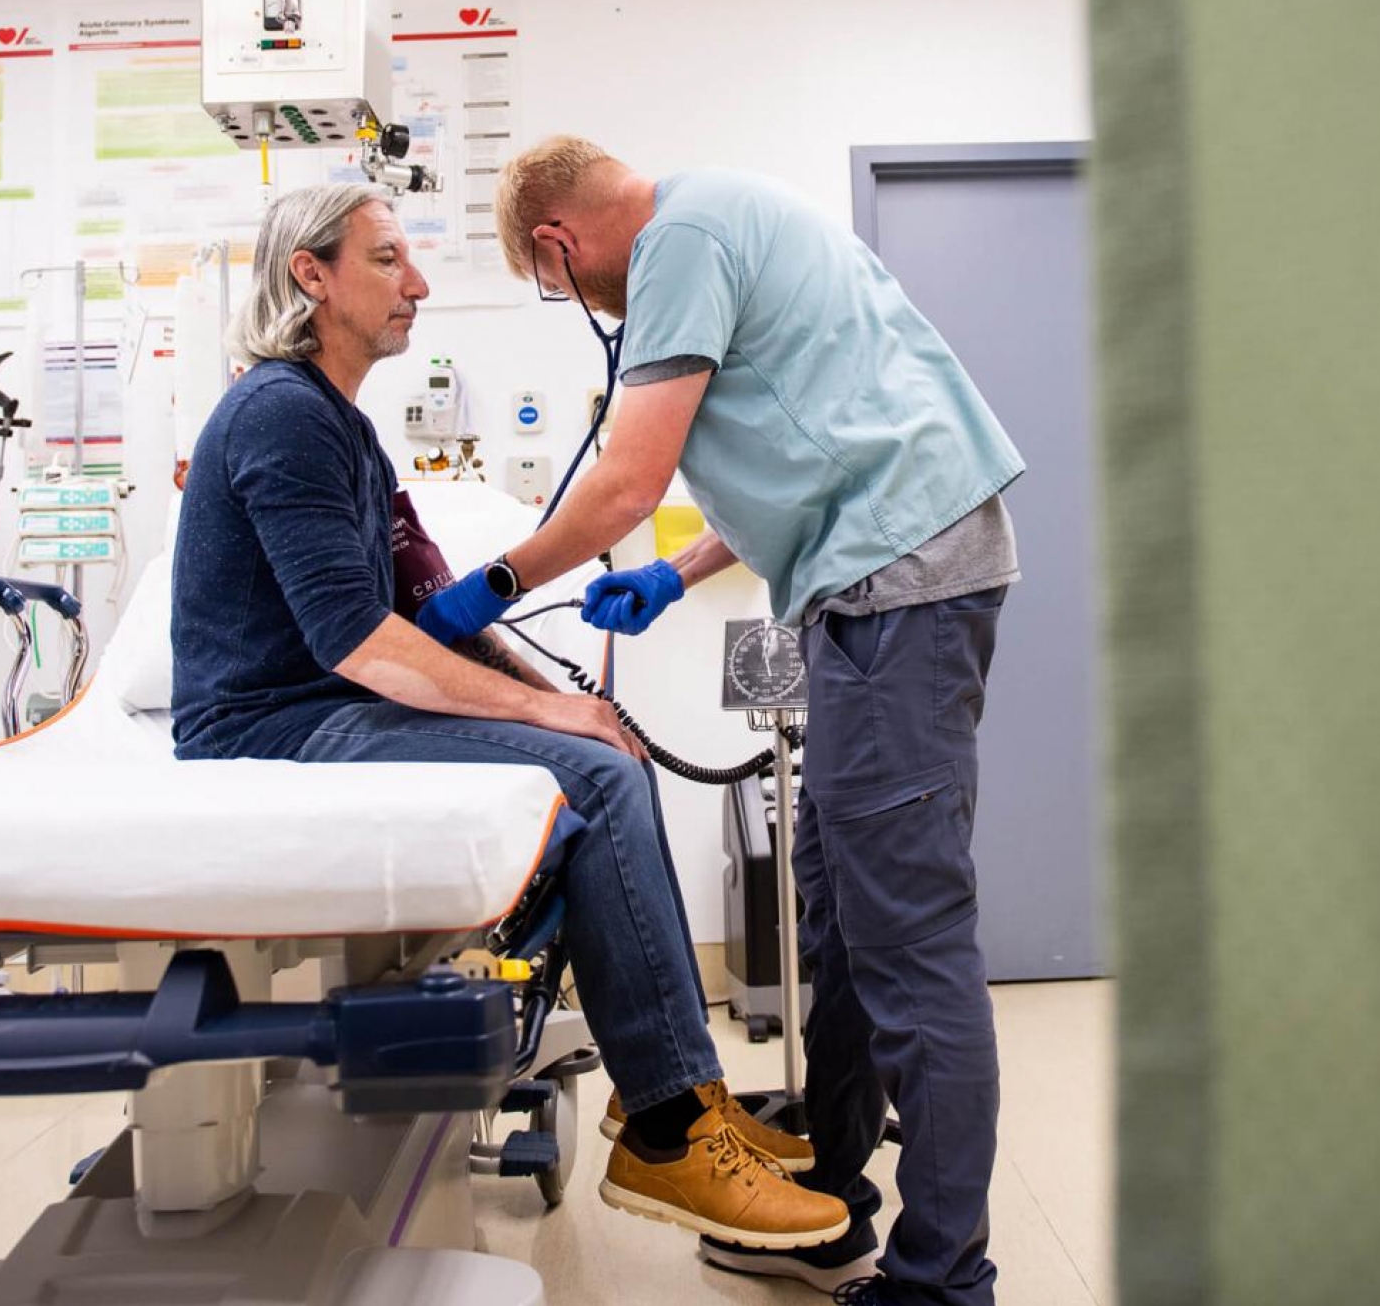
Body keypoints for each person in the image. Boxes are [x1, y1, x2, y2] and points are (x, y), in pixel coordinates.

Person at [169, 182, 850, 1252]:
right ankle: (669, 1126)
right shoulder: (279, 415)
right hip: (275, 727)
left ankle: (673, 1101)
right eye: (389, 259)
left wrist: (561, 701)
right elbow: (359, 643)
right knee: (594, 776)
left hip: (329, 712)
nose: (419, 285)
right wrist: (560, 728)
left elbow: (421, 606)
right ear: (312, 275)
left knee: (598, 751)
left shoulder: (340, 427)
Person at [417, 139, 1024, 1306]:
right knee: (838, 925)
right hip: (873, 585)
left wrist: (489, 587)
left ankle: (945, 1279)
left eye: (558, 285)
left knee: (907, 943)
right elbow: (811, 454)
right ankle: (829, 1204)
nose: (580, 301)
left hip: (899, 592)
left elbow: (627, 480)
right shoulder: (723, 219)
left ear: (557, 242)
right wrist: (679, 576)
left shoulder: (674, 245)